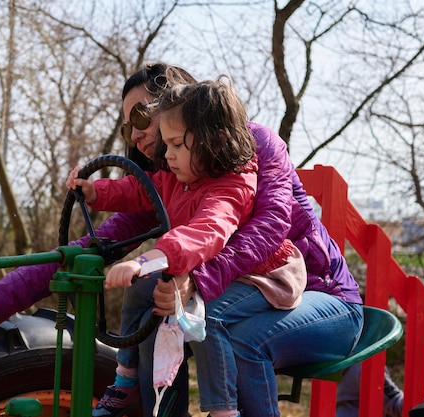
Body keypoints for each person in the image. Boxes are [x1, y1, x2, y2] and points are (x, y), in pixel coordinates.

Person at [0, 62, 363, 417]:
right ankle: (152, 402)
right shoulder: (172, 180)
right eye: (126, 126)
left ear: (178, 105)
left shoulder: (253, 145)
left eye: (140, 117)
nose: (134, 134)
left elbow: (265, 230)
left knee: (217, 323)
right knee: (162, 303)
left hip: (313, 293)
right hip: (244, 296)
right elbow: (93, 247)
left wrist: (196, 280)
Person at [66, 77, 308, 417]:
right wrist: (96, 193)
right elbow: (139, 191)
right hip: (217, 270)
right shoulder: (178, 175)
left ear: (215, 140)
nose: (168, 155)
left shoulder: (231, 186)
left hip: (265, 276)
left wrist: (146, 261)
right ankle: (127, 379)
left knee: (208, 313)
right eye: (166, 144)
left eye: (177, 144)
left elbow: (204, 232)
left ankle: (224, 409)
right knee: (140, 294)